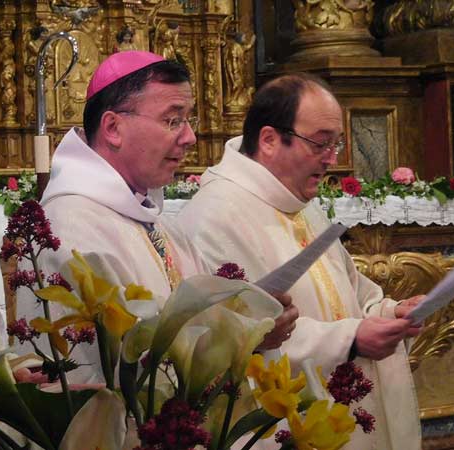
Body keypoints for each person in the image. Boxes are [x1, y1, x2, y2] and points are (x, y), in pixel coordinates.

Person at [177, 73, 423, 449]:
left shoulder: (298, 202)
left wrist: (390, 313)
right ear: (270, 140)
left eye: (336, 144)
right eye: (321, 144)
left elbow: (353, 295)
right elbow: (229, 338)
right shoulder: (215, 216)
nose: (332, 159)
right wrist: (351, 339)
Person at [20, 51, 298, 385]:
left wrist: (249, 321)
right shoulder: (69, 228)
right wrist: (244, 337)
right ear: (113, 128)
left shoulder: (155, 219)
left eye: (188, 120)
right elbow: (94, 378)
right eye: (173, 120)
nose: (190, 137)